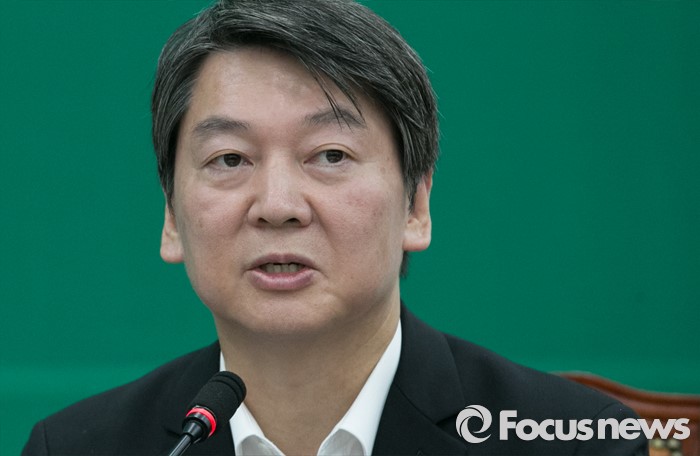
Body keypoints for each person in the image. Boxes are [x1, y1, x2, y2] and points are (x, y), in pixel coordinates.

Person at [22, 0, 647, 454]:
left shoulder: (578, 441)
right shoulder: (78, 446)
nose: (277, 205)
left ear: (416, 205)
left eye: (329, 155)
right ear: (170, 218)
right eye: (230, 160)